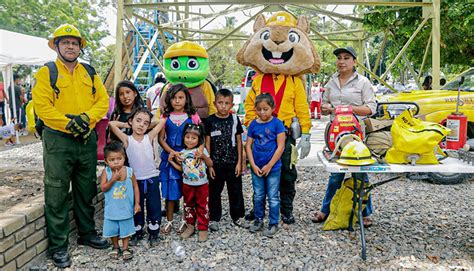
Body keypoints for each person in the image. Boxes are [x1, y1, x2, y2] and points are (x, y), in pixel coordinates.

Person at [32, 24, 109, 268]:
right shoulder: (47, 73)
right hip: (58, 141)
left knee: (85, 189)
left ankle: (87, 234)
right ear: (56, 45)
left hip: (85, 138)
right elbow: (43, 108)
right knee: (56, 192)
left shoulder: (89, 71)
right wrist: (69, 124)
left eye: (74, 43)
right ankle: (59, 246)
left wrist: (86, 119)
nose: (70, 46)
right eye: (65, 42)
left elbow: (103, 100)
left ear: (79, 47)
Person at [312, 46, 376, 227]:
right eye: (339, 58)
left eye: (346, 58)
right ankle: (327, 209)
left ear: (354, 62)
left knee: (361, 173)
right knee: (335, 173)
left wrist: (347, 109)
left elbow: (372, 108)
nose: (342, 61)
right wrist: (325, 108)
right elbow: (325, 105)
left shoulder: (363, 82)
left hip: (356, 136)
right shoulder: (331, 82)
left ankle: (364, 212)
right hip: (335, 135)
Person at [108, 108, 166, 247]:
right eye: (138, 121)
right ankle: (137, 231)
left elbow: (162, 121)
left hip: (152, 178)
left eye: (145, 123)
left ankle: (154, 232)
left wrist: (148, 124)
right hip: (135, 181)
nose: (141, 125)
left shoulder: (149, 137)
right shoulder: (127, 139)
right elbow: (112, 124)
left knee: (154, 206)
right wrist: (129, 124)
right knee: (136, 206)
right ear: (131, 121)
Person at [158, 83, 201, 234]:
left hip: (188, 159)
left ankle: (186, 220)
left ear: (186, 99)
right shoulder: (165, 116)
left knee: (187, 190)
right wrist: (172, 152)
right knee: (170, 191)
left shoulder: (192, 116)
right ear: (169, 99)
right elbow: (161, 139)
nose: (177, 101)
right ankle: (169, 221)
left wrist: (199, 151)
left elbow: (201, 136)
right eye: (174, 98)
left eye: (181, 97)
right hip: (170, 157)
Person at [204, 89, 247, 231]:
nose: (223, 106)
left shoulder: (234, 120)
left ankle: (238, 216)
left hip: (232, 163)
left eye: (227, 103)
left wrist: (240, 163)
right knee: (214, 191)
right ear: (215, 103)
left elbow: (239, 141)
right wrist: (209, 164)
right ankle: (214, 218)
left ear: (232, 105)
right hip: (216, 164)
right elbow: (207, 143)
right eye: (220, 103)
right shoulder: (210, 120)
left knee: (235, 190)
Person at [246, 93, 286, 237]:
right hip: (257, 168)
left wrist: (269, 165)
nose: (262, 112)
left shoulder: (277, 124)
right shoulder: (253, 124)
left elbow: (280, 147)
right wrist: (253, 165)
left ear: (272, 108)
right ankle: (258, 220)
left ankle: (273, 222)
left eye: (265, 109)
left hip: (273, 168)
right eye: (259, 109)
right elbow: (248, 145)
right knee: (258, 195)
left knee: (273, 196)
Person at [168, 123, 213, 242]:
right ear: (183, 137)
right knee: (188, 205)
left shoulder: (200, 151)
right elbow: (182, 169)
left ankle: (203, 228)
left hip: (202, 184)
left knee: (202, 206)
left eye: (194, 138)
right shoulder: (182, 153)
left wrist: (203, 156)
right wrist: (172, 162)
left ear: (199, 139)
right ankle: (190, 226)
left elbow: (210, 164)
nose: (190, 140)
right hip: (187, 184)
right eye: (187, 137)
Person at [100, 141, 141, 260]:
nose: (116, 162)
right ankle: (115, 246)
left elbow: (135, 187)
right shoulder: (106, 172)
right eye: (112, 160)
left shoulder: (129, 171)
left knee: (126, 228)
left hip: (126, 208)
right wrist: (112, 179)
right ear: (106, 161)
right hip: (111, 209)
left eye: (119, 158)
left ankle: (125, 248)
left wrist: (137, 203)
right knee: (112, 229)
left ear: (124, 158)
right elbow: (103, 188)